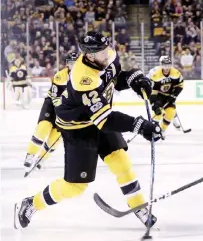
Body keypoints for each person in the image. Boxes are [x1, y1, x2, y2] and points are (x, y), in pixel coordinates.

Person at [14, 32, 162, 229]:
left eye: (107, 50)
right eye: (102, 53)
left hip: (100, 117)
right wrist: (140, 125)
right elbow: (106, 120)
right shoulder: (83, 78)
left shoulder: (106, 55)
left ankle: (138, 206)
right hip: (78, 129)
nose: (108, 55)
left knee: (121, 161)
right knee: (75, 186)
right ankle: (32, 203)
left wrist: (134, 79)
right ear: (90, 56)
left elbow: (114, 79)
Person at [24, 53, 78, 173]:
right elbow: (56, 98)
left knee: (56, 136)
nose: (73, 65)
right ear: (67, 64)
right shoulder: (61, 76)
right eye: (70, 63)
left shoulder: (84, 77)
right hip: (52, 105)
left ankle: (42, 157)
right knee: (44, 127)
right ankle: (31, 154)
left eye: (75, 63)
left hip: (68, 109)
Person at [147, 56, 184, 135]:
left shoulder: (176, 73)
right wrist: (153, 104)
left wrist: (174, 96)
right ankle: (154, 130)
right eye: (164, 65)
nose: (166, 68)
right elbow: (152, 91)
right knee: (158, 112)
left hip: (170, 95)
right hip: (159, 95)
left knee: (171, 112)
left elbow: (180, 85)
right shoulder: (156, 75)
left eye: (168, 65)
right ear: (161, 65)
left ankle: (162, 130)